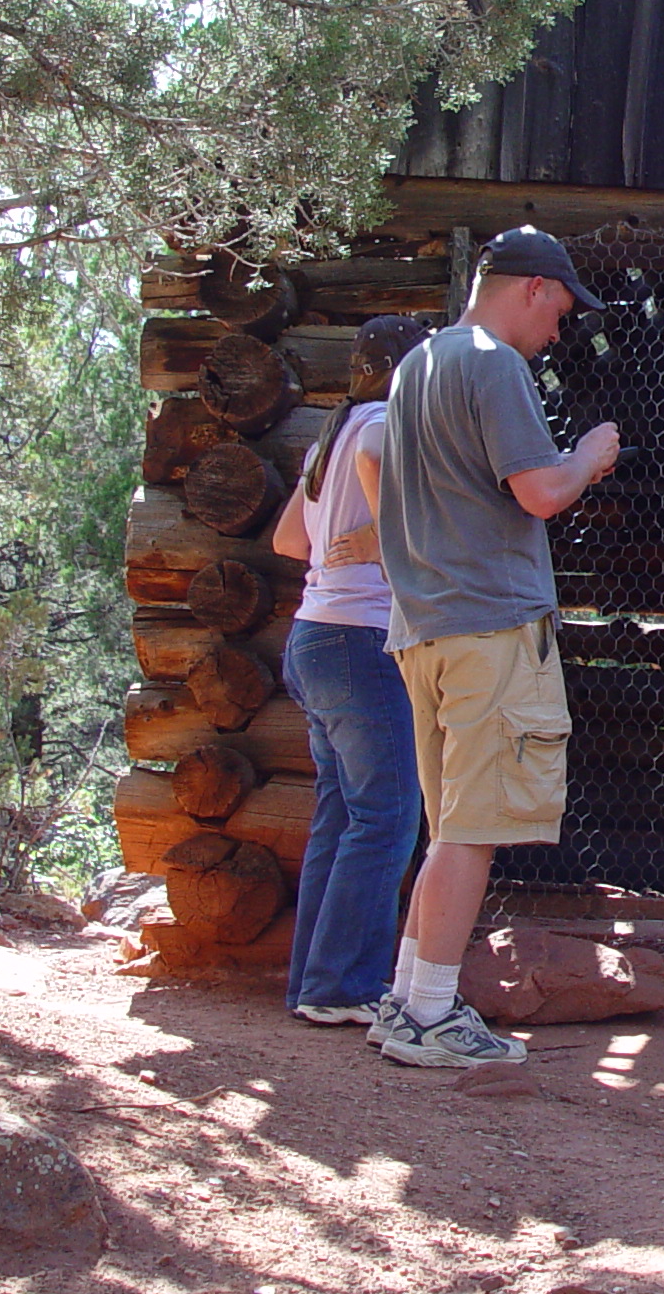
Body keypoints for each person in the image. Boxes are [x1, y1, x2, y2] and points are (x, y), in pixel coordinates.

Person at [365, 225, 620, 1066]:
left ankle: (406, 1002)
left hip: (424, 632)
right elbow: (541, 492)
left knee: (449, 830)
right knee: (472, 831)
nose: (558, 333)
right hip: (490, 631)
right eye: (561, 311)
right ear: (535, 288)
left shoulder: (418, 364)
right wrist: (587, 456)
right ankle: (433, 1016)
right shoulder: (494, 363)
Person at [269, 313, 431, 1026]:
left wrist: (348, 539)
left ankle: (314, 980)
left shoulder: (331, 437)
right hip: (360, 644)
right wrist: (377, 541)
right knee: (389, 817)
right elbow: (414, 530)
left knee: (342, 815)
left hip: (313, 638)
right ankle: (346, 987)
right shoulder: (387, 428)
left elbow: (286, 539)